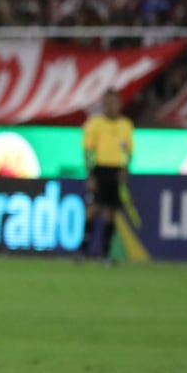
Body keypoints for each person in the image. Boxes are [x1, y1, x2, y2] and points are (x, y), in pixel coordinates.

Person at [82, 89, 134, 260]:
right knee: (93, 209)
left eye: (112, 102)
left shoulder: (125, 125)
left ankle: (105, 252)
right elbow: (88, 150)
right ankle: (84, 250)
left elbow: (129, 151)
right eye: (106, 102)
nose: (109, 105)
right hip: (100, 169)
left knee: (110, 211)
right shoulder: (95, 123)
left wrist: (125, 169)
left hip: (116, 171)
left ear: (119, 103)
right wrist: (90, 175)